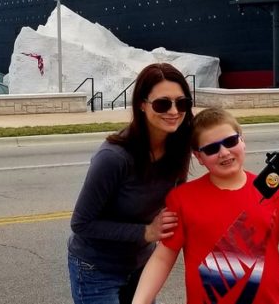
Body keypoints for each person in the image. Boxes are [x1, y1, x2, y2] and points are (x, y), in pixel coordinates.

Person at [132, 108, 279, 304]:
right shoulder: (182, 198)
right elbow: (163, 257)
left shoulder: (276, 193)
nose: (224, 152)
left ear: (242, 140)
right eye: (212, 148)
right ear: (199, 157)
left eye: (230, 141)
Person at [68, 62, 196, 304]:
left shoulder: (178, 148)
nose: (173, 111)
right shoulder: (114, 157)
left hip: (141, 263)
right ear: (142, 104)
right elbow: (81, 223)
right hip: (96, 267)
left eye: (182, 102)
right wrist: (146, 232)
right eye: (162, 103)